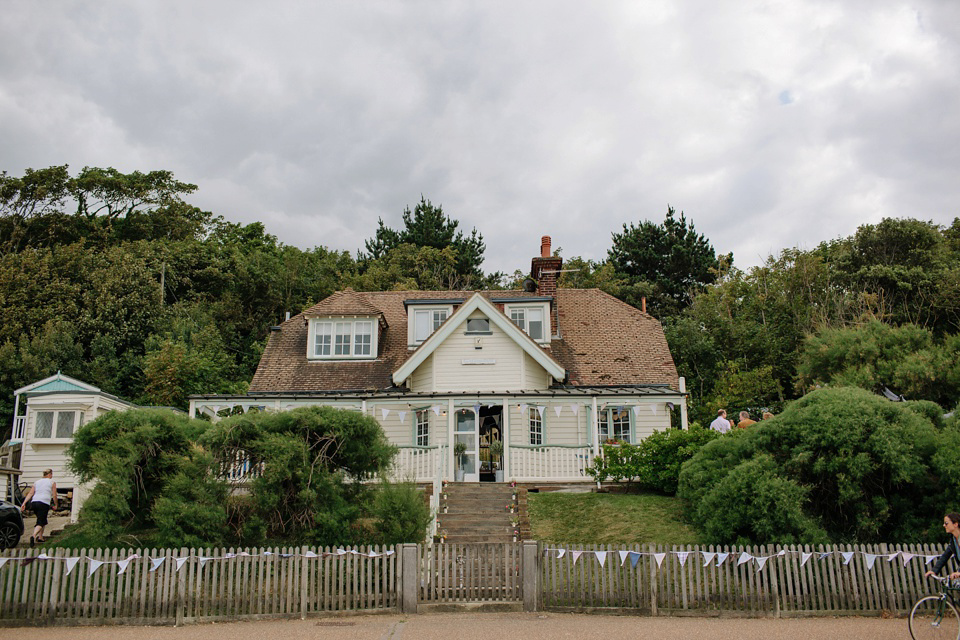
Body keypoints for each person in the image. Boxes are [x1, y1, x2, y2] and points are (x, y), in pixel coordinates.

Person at [20, 469, 57, 547]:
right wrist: (56, 504)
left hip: (34, 502)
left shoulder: (37, 482)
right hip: (44, 503)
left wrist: (24, 503)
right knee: (40, 521)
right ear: (49, 474)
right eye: (51, 474)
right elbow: (54, 495)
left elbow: (30, 493)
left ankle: (40, 537)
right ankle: (33, 536)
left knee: (42, 519)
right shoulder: (52, 482)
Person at [926, 513, 960, 581]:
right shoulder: (953, 540)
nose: (944, 525)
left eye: (946, 523)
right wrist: (934, 570)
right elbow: (945, 556)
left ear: (955, 524)